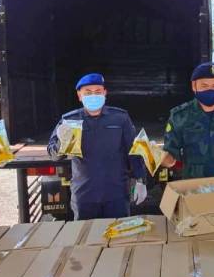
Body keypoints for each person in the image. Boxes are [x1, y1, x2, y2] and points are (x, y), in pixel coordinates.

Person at [48, 73, 147, 220]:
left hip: (116, 194)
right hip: (84, 195)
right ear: (79, 95)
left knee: (118, 239)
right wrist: (61, 142)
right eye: (87, 92)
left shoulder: (120, 118)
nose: (93, 96)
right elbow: (53, 155)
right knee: (85, 238)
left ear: (105, 94)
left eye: (98, 92)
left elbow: (133, 151)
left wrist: (140, 180)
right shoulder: (70, 120)